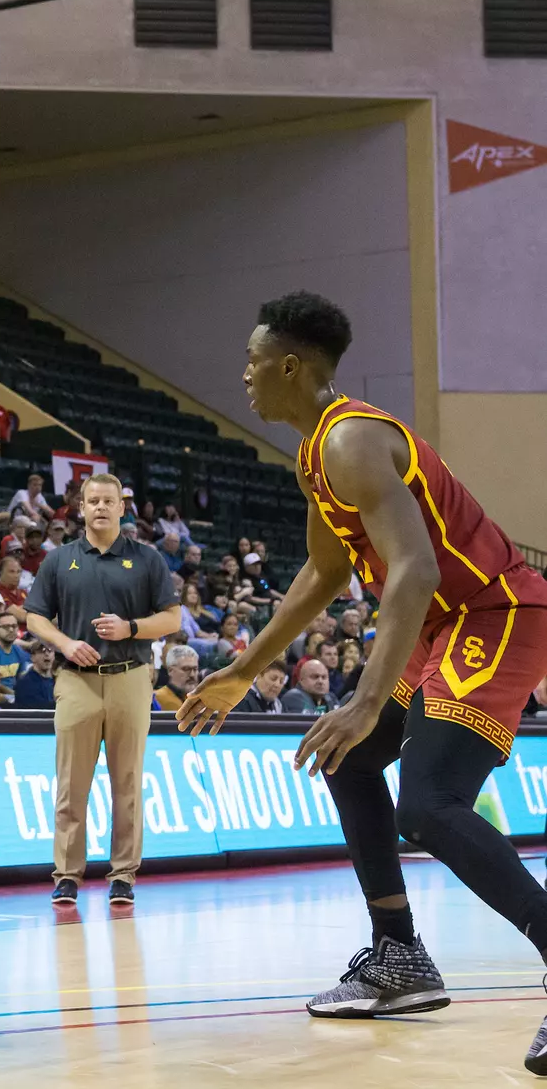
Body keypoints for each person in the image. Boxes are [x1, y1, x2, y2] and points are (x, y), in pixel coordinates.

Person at [178, 294, 547, 1054]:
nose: (243, 373)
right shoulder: (316, 451)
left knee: (430, 803)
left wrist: (366, 700)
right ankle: (399, 954)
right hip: (441, 623)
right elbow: (323, 571)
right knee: (348, 759)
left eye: (251, 360)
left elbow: (412, 570)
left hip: (494, 610)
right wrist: (241, 670)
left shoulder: (349, 440)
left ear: (288, 364)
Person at [23, 472, 180, 908]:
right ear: (80, 507)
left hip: (131, 676)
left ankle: (123, 876)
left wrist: (131, 627)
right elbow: (34, 617)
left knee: (127, 783)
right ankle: (67, 876)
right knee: (71, 784)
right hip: (76, 680)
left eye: (108, 501)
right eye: (92, 501)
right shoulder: (59, 560)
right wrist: (65, 643)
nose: (100, 507)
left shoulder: (148, 559)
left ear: (122, 507)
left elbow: (172, 619)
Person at [152, 644, 200, 711]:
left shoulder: (201, 700)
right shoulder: (156, 699)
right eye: (186, 669)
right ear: (170, 670)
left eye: (195, 669)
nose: (192, 675)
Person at [12, 641, 58, 709]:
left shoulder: (59, 681)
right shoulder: (25, 684)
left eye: (50, 650)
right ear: (32, 657)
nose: (47, 654)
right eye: (42, 651)